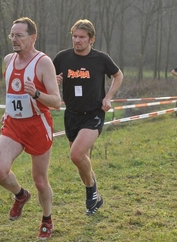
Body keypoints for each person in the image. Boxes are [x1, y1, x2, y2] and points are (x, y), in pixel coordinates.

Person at [0, 17, 61, 239]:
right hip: (14, 125)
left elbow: (57, 102)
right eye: (12, 35)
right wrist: (8, 111)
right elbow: (12, 93)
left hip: (37, 125)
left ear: (33, 38)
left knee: (40, 181)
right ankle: (20, 195)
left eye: (19, 35)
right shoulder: (8, 60)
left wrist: (37, 94)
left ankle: (47, 219)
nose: (14, 39)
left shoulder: (43, 63)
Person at [53, 19, 124, 215]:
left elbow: (118, 75)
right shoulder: (62, 58)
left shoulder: (101, 59)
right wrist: (54, 80)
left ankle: (90, 190)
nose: (77, 40)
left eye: (82, 37)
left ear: (91, 39)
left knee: (76, 155)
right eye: (74, 36)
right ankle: (96, 197)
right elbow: (46, 78)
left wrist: (108, 97)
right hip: (71, 114)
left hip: (93, 114)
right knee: (81, 161)